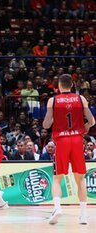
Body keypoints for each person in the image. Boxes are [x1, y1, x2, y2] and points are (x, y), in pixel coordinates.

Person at [43, 74, 95, 225]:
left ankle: (57, 207)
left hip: (62, 141)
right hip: (78, 140)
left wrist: (53, 117)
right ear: (72, 85)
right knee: (80, 180)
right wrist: (85, 127)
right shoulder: (81, 99)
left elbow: (46, 125)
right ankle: (83, 215)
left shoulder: (53, 101)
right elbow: (92, 121)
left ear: (59, 85)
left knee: (57, 178)